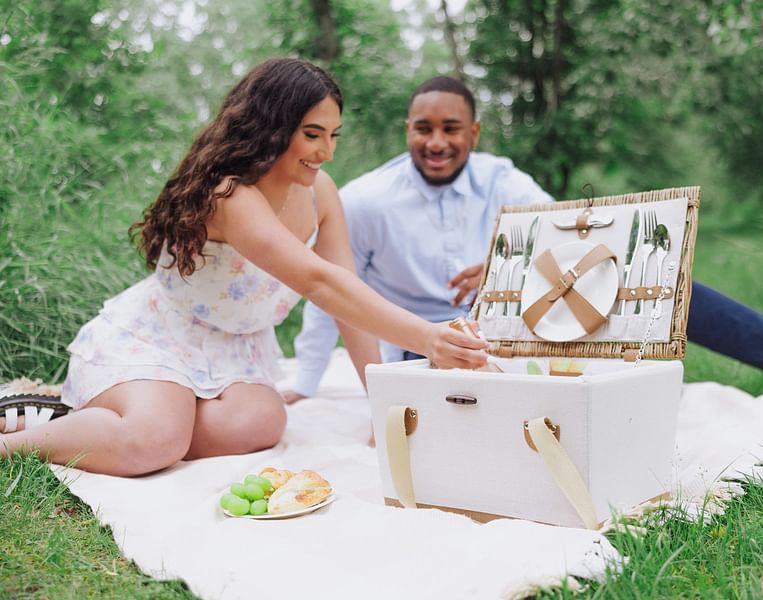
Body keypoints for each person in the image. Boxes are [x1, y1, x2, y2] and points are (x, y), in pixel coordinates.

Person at [0, 59, 488, 475]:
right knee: (156, 440)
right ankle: (29, 436)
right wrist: (427, 337)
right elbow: (320, 282)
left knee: (261, 423)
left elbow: (347, 298)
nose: (326, 151)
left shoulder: (321, 193)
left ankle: (109, 419)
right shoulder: (231, 195)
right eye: (312, 134)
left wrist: (384, 407)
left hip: (234, 351)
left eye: (333, 135)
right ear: (272, 128)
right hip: (164, 337)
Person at [287, 76, 763, 401]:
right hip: (427, 354)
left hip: (516, 331)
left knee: (642, 278)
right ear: (408, 130)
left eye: (451, 128)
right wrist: (308, 385)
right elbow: (332, 292)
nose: (437, 141)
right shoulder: (364, 198)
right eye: (423, 128)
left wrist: (507, 265)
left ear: (473, 131)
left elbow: (571, 241)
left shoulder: (503, 178)